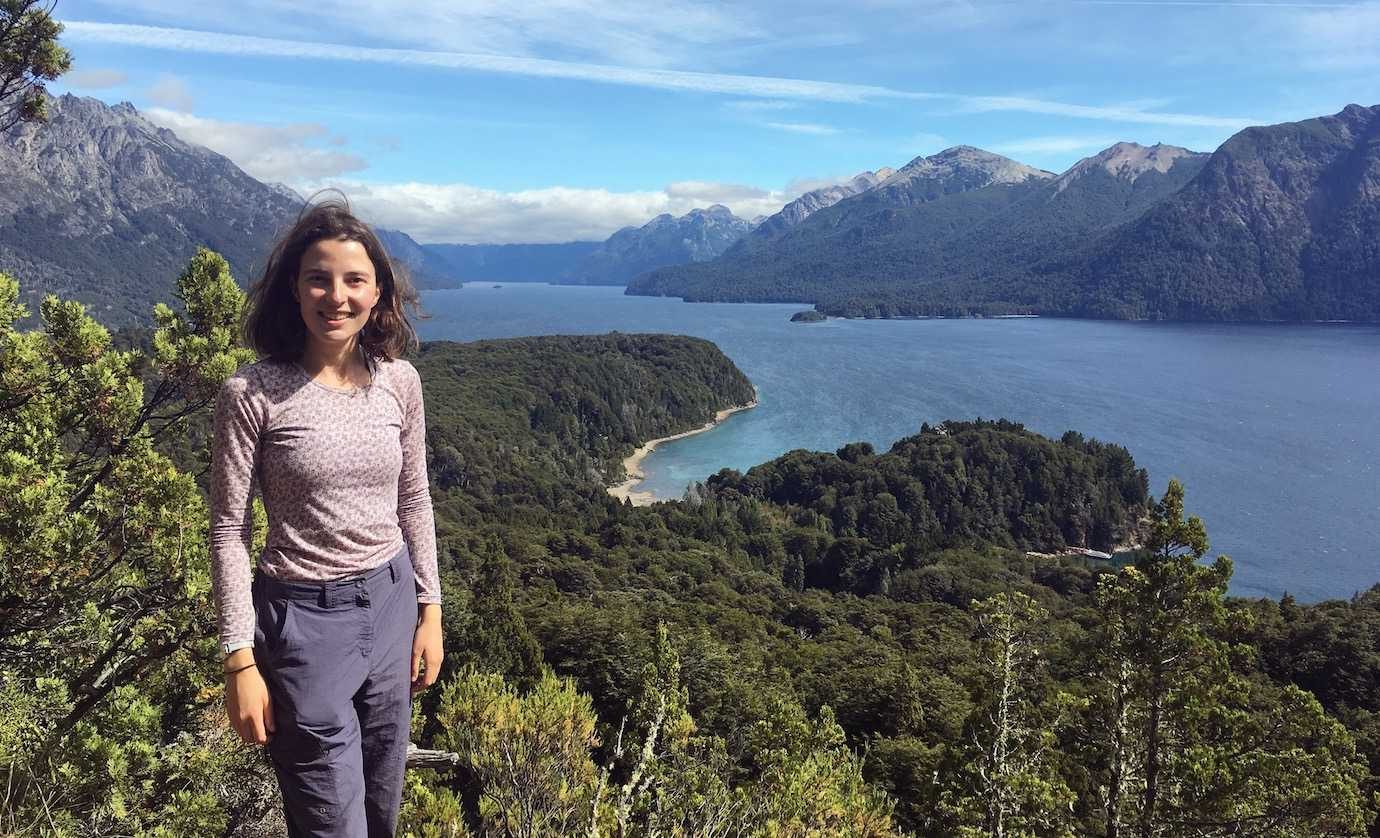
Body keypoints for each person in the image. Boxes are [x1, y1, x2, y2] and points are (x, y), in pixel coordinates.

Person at [210, 197, 444, 837]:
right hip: (303, 624)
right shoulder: (253, 393)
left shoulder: (399, 383)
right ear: (294, 287)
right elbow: (229, 529)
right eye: (319, 277)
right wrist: (239, 661)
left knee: (380, 805)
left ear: (378, 293)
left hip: (393, 602)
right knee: (328, 820)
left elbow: (413, 499)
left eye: (353, 280)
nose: (335, 296)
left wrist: (430, 610)